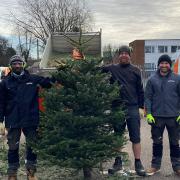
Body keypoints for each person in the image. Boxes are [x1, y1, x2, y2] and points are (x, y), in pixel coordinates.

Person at [0, 55, 55, 180]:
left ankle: (31, 172)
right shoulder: (5, 83)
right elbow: (1, 102)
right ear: (11, 66)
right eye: (14, 64)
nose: (17, 66)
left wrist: (62, 72)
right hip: (12, 120)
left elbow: (49, 83)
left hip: (30, 119)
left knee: (32, 146)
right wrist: (0, 121)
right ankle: (12, 173)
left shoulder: (32, 79)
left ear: (23, 65)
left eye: (19, 63)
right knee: (13, 146)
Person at [103, 45, 146, 176]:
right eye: (121, 53)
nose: (123, 55)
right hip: (117, 107)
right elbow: (94, 70)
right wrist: (82, 60)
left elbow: (140, 90)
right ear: (118, 56)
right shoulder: (111, 69)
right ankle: (118, 162)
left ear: (129, 55)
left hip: (133, 107)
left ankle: (138, 163)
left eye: (126, 53)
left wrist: (141, 107)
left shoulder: (136, 71)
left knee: (136, 137)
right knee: (117, 137)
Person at [145, 54, 180, 176]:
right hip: (157, 117)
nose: (164, 65)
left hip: (174, 117)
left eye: (166, 63)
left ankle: (177, 166)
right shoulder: (152, 79)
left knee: (175, 143)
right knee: (157, 142)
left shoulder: (177, 78)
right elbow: (148, 98)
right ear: (158, 64)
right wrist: (149, 113)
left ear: (169, 65)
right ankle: (155, 165)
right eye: (162, 63)